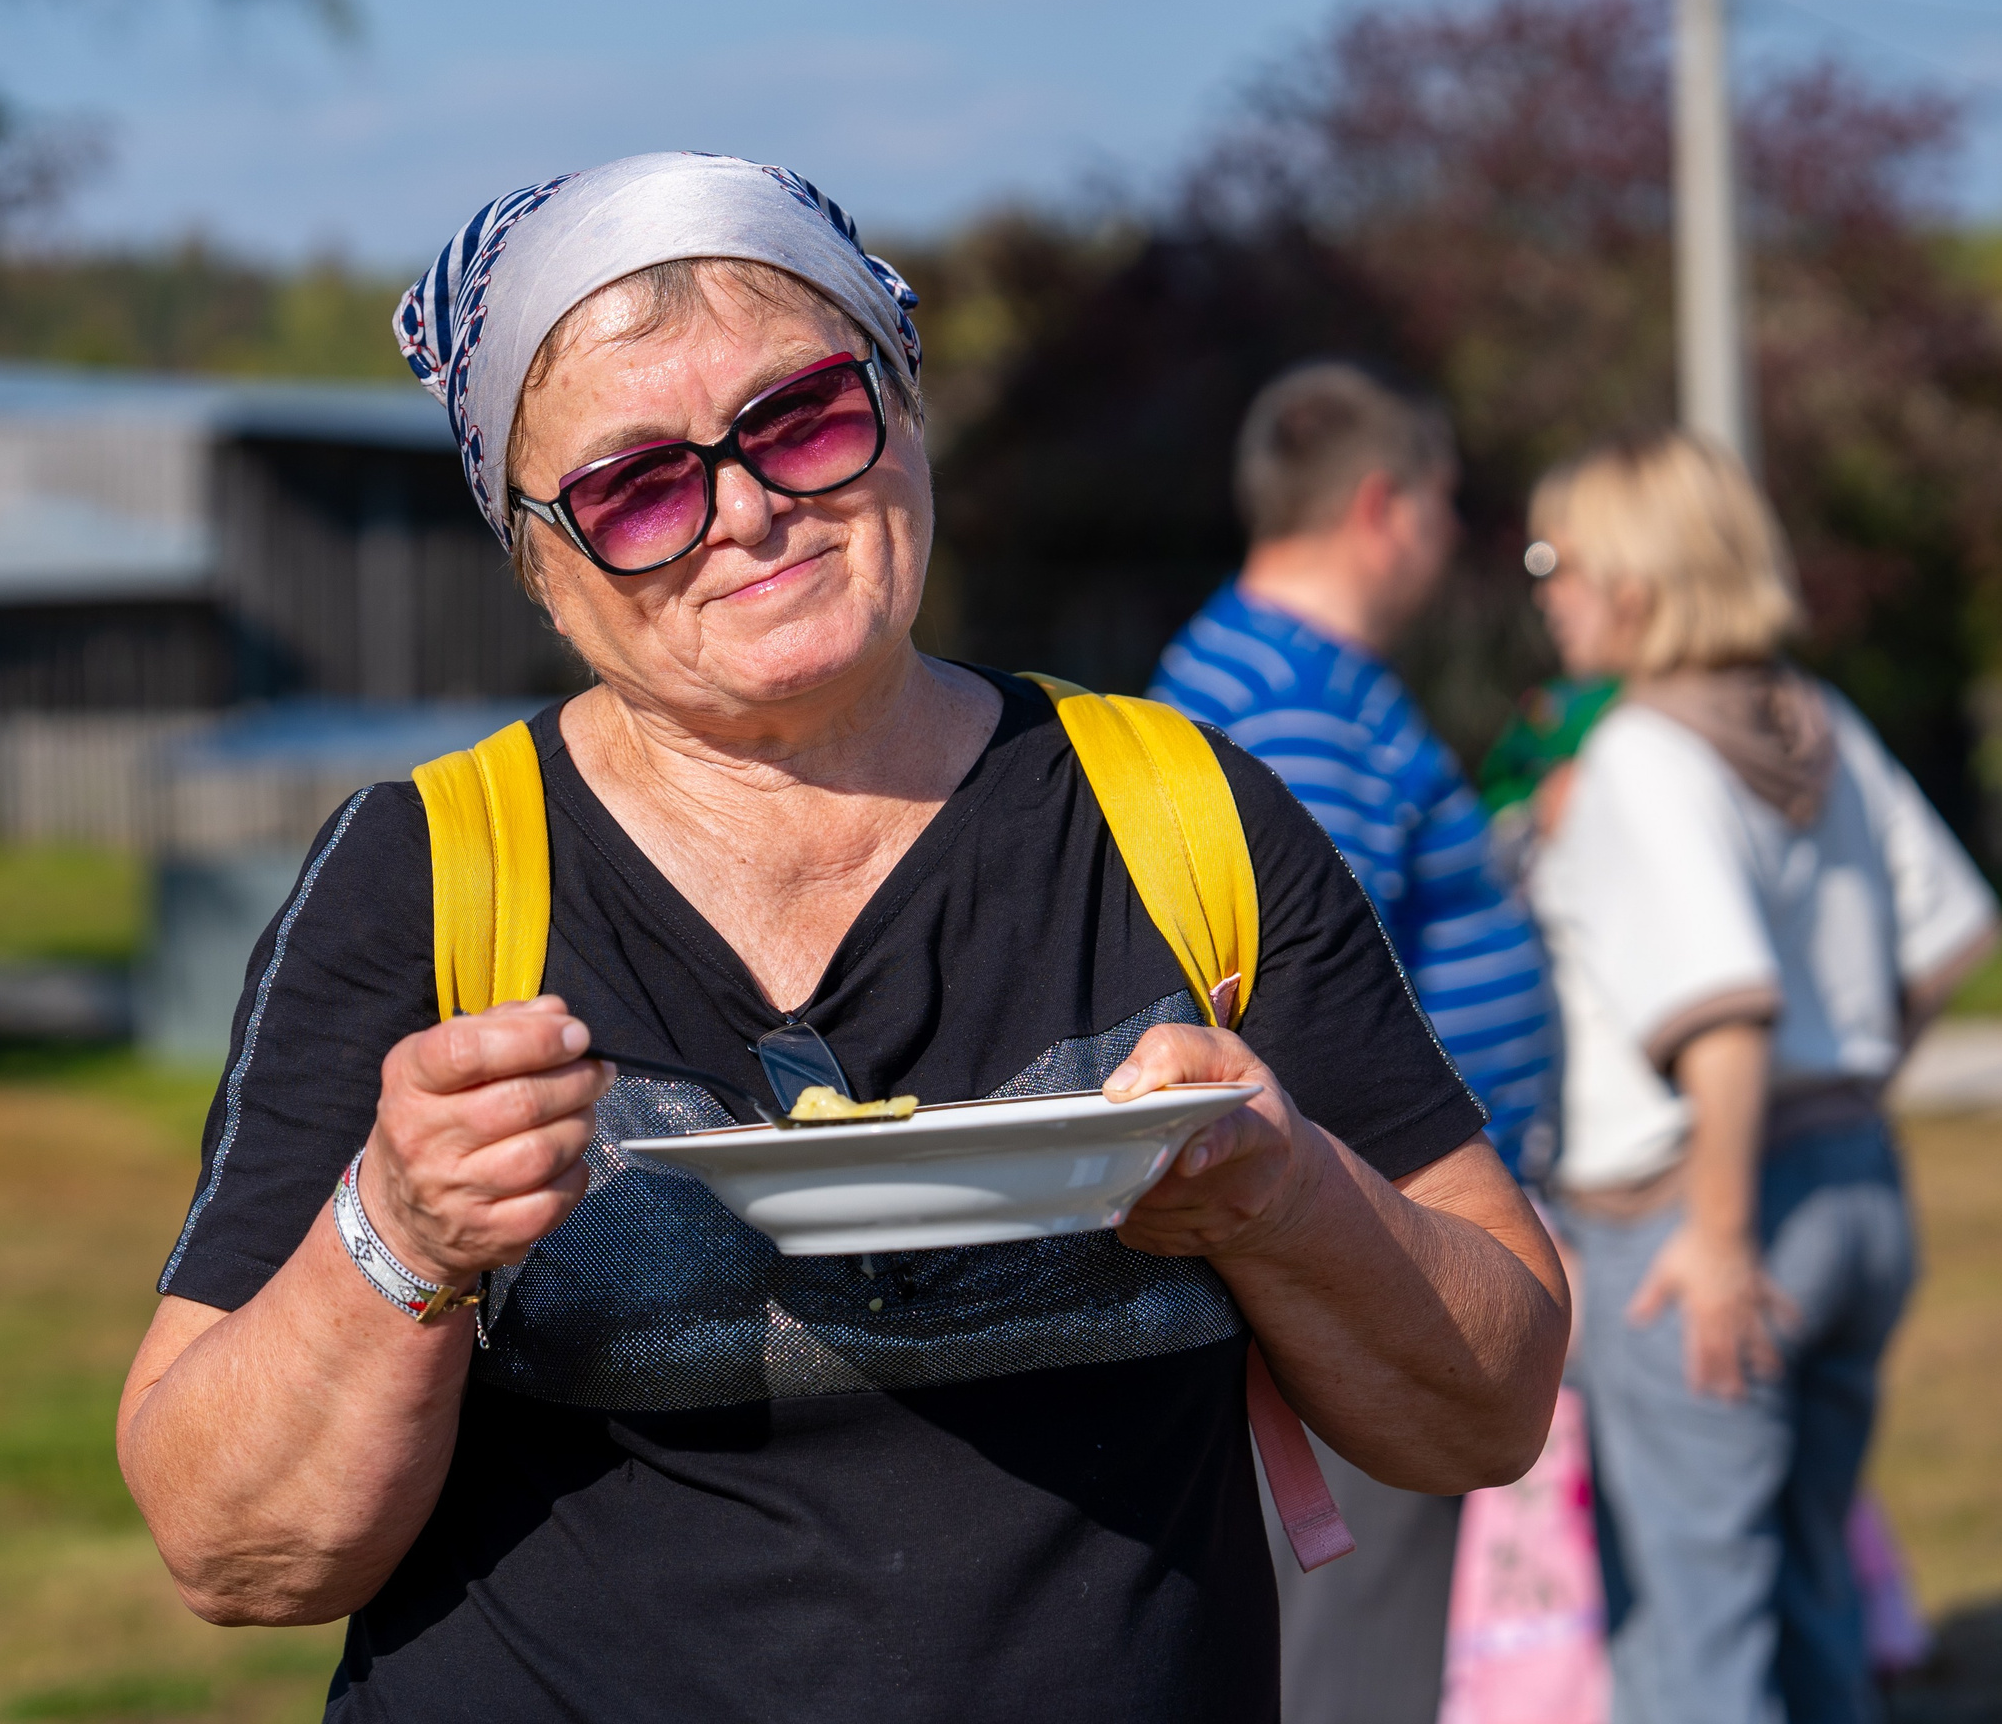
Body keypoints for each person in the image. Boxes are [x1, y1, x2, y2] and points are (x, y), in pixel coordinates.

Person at [114, 152, 1569, 1722]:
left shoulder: (1179, 814)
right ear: (539, 560)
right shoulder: (434, 874)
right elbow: (230, 1551)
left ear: (906, 402)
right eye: (637, 488)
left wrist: (1289, 1194)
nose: (746, 512)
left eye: (803, 416)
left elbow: (1487, 1406)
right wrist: (401, 1232)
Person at [1524, 432, 2000, 1724]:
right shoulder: (1814, 717)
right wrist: (1843, 1089)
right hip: (1853, 1189)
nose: (1543, 589)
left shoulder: (1642, 756)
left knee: (1696, 1634)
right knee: (1808, 1599)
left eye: (1554, 558)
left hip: (1705, 1223)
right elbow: (1956, 929)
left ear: (1632, 578)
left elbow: (1723, 1019)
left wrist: (1725, 1230)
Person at [1150, 360, 1562, 1724]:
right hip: (1365, 1242)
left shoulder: (1302, 678)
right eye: (1447, 507)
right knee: (1356, 1660)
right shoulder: (1288, 707)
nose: (1452, 542)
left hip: (1378, 1221)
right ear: (1385, 506)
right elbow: (1306, 1014)